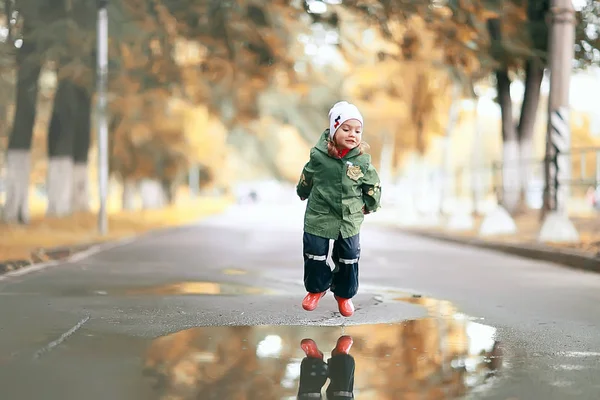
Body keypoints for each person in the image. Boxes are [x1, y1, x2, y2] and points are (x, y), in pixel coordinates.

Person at [296, 101, 382, 317]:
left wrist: (370, 204)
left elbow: (372, 184)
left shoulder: (362, 160)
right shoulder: (319, 156)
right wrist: (303, 190)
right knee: (315, 252)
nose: (352, 134)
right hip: (320, 212)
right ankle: (317, 288)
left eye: (357, 130)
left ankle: (344, 294)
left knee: (349, 255)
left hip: (348, 216)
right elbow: (308, 174)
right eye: (346, 129)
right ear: (334, 130)